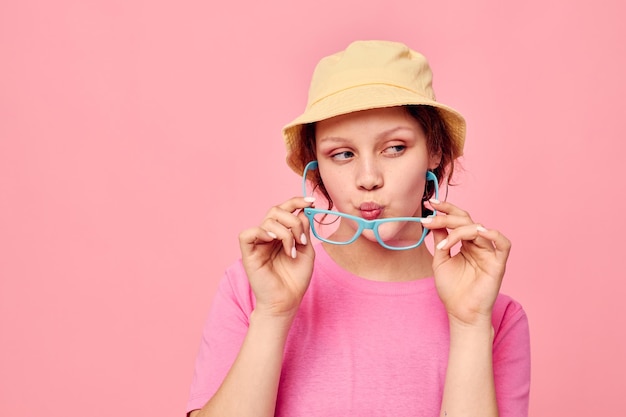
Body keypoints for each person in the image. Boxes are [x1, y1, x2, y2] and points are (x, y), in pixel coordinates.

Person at [186, 40, 530, 417]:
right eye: (343, 154)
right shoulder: (251, 290)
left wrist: (469, 325)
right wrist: (272, 315)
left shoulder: (494, 316)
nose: (368, 178)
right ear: (315, 166)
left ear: (434, 150)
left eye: (395, 148)